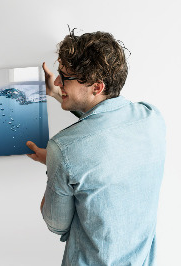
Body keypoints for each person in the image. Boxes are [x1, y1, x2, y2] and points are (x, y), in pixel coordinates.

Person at [26, 30, 166, 265]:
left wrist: (54, 163)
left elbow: (56, 224)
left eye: (64, 77)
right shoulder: (152, 118)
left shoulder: (63, 149)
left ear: (97, 87)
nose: (58, 81)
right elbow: (105, 125)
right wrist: (58, 94)